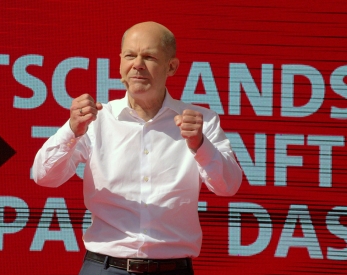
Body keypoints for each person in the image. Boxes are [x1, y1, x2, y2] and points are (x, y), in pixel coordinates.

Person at [33, 21, 242, 275]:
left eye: (149, 57)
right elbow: (43, 176)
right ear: (120, 63)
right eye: (130, 56)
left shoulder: (200, 121)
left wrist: (200, 145)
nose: (138, 64)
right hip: (105, 267)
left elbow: (228, 186)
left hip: (172, 268)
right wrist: (71, 131)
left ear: (171, 66)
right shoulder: (97, 120)